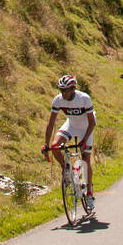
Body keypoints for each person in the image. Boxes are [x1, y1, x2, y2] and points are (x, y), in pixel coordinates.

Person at [41, 73, 97, 215]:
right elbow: (51, 123)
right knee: (55, 147)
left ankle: (89, 194)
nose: (64, 93)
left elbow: (92, 122)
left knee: (86, 159)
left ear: (73, 89)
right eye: (61, 90)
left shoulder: (84, 98)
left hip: (86, 128)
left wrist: (84, 141)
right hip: (71, 125)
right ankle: (67, 171)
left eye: (66, 90)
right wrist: (46, 144)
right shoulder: (58, 100)